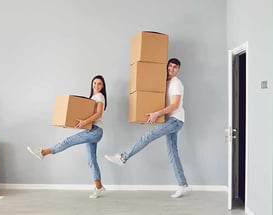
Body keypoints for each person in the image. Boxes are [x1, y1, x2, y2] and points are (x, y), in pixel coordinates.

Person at [105, 58, 189, 198]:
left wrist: (157, 114)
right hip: (170, 120)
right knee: (173, 154)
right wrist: (151, 117)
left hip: (176, 120)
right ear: (167, 66)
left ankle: (123, 157)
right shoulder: (165, 83)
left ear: (178, 69)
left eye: (175, 67)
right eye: (170, 66)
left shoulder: (176, 83)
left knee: (148, 136)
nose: (172, 69)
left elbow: (174, 105)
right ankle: (183, 185)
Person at [27, 75, 107, 199]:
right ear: (92, 84)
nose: (96, 85)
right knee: (91, 161)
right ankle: (99, 187)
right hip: (93, 130)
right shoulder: (92, 98)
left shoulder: (99, 96)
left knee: (68, 141)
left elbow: (99, 113)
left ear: (102, 87)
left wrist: (85, 122)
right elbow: (84, 118)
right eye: (94, 83)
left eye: (99, 84)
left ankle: (43, 152)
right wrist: (70, 123)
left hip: (95, 131)